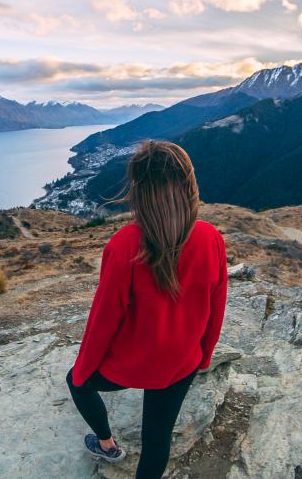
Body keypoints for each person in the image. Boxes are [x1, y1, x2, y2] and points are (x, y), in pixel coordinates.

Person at [65, 140, 228, 479]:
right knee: (157, 442)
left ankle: (108, 445)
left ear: (138, 190)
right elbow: (217, 306)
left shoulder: (124, 245)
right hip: (181, 362)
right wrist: (204, 356)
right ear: (189, 186)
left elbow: (103, 321)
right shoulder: (211, 237)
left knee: (75, 381)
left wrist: (83, 372)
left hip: (134, 363)